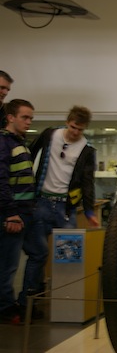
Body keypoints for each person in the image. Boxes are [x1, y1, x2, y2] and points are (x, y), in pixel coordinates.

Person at [17, 105, 99, 318]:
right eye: (73, 127)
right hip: (40, 204)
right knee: (38, 255)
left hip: (66, 209)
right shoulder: (49, 135)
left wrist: (89, 212)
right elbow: (28, 157)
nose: (75, 132)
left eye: (80, 130)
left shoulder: (87, 150)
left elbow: (88, 183)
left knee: (69, 258)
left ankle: (67, 307)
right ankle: (26, 303)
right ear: (67, 122)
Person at [0, 99, 35, 324]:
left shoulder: (19, 142)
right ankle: (5, 307)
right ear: (10, 117)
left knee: (37, 253)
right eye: (25, 117)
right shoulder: (4, 142)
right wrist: (11, 213)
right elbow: (1, 180)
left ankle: (22, 302)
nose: (29, 122)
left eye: (31, 118)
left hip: (24, 212)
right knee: (8, 264)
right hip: (12, 214)